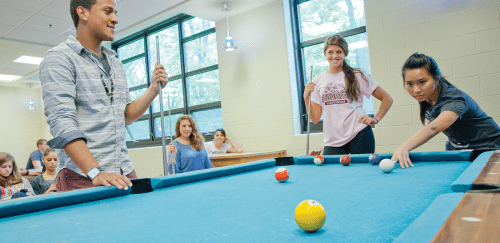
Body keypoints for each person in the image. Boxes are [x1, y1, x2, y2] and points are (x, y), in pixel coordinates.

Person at [39, 0, 168, 192]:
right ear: (83, 13)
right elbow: (62, 124)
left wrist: (152, 91)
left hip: (123, 170)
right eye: (107, 11)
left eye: (115, 12)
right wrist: (96, 172)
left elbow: (126, 116)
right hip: (82, 177)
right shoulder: (59, 58)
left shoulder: (116, 64)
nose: (115, 19)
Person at [392, 53, 500, 169]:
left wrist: (404, 147)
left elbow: (433, 128)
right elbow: (435, 122)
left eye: (422, 82)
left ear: (436, 78)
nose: (416, 90)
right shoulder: (426, 97)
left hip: (489, 148)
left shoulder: (454, 98)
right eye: (409, 84)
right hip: (459, 150)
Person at [303, 35, 393, 155]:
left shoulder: (357, 75)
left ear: (345, 53)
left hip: (359, 134)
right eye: (330, 52)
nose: (334, 56)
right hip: (332, 141)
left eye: (339, 52)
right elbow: (315, 119)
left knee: (362, 173)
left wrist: (376, 119)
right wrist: (305, 97)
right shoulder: (318, 80)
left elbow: (387, 99)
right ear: (325, 54)